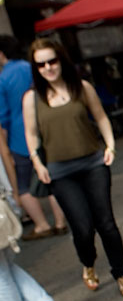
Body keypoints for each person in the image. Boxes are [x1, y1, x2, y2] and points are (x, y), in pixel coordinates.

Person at [22, 39, 123, 297]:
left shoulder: (82, 88)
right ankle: (88, 263)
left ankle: (121, 273)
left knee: (106, 224)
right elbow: (31, 133)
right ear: (35, 68)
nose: (48, 68)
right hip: (60, 172)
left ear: (61, 60)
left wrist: (110, 146)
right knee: (83, 228)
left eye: (52, 61)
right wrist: (37, 162)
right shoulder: (32, 98)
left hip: (93, 163)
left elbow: (101, 117)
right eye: (41, 64)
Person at [0, 35, 67, 239]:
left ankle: (41, 225)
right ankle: (60, 222)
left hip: (19, 139)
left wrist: (5, 147)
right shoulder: (33, 67)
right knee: (52, 178)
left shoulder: (3, 78)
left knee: (22, 186)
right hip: (45, 129)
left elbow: (3, 117)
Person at [0, 123, 59, 301]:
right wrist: (14, 194)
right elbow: (5, 154)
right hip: (3, 205)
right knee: (6, 266)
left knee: (1, 275)